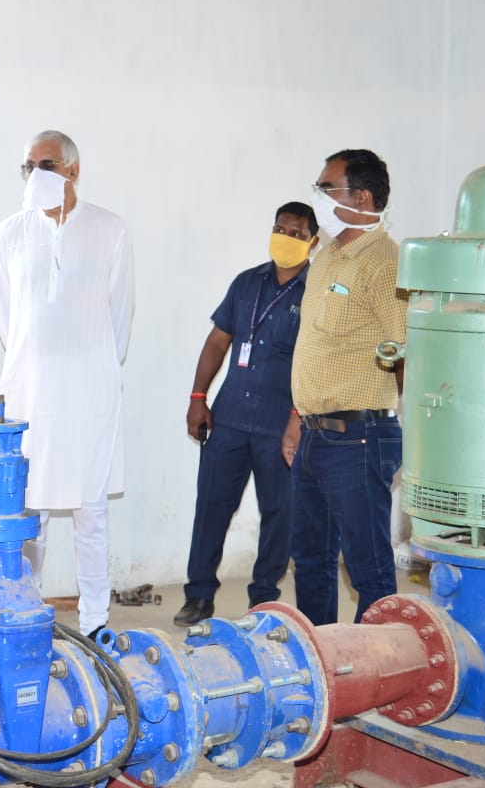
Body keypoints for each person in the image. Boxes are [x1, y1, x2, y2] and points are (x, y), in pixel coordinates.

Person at [0, 130, 134, 639]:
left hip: (89, 396)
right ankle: (26, 609)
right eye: (27, 166)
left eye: (44, 164)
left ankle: (95, 621)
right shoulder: (8, 233)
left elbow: (120, 319)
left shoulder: (109, 230)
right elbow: (9, 322)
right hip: (31, 392)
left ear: (73, 169)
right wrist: (39, 362)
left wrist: (87, 369)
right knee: (32, 509)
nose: (34, 175)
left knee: (91, 511)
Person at [173, 202, 318, 626]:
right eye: (279, 228)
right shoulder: (247, 283)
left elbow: (314, 362)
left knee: (279, 515)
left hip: (281, 423)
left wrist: (298, 414)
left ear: (312, 241)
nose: (284, 237)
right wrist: (198, 396)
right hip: (230, 417)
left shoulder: (316, 293)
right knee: (211, 508)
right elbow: (218, 341)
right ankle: (198, 595)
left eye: (295, 232)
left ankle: (264, 599)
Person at [288, 148, 406, 625]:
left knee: (368, 566)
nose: (317, 197)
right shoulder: (327, 256)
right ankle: (322, 659)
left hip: (358, 437)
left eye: (326, 187)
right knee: (311, 560)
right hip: (315, 435)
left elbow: (404, 351)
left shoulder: (386, 262)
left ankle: (381, 667)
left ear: (361, 196)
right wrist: (296, 420)